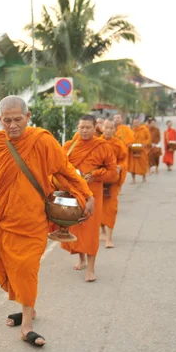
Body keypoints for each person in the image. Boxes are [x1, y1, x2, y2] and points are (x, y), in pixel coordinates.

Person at [0, 96, 94, 347]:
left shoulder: (42, 141)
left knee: (28, 270)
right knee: (11, 269)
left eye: (18, 119)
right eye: (7, 121)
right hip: (3, 220)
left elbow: (64, 171)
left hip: (32, 222)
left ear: (28, 117)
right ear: (0, 120)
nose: (12, 125)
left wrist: (86, 194)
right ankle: (29, 308)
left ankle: (27, 326)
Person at [60, 115, 118, 282]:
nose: (84, 130)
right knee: (77, 228)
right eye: (81, 127)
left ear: (95, 128)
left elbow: (113, 173)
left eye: (87, 127)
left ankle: (91, 269)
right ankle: (81, 259)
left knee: (91, 230)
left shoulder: (102, 146)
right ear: (77, 128)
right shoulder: (70, 146)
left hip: (94, 193)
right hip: (74, 192)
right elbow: (60, 167)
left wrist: (96, 176)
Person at [100, 121, 128, 249]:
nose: (108, 130)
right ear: (102, 128)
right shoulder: (96, 143)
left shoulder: (118, 144)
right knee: (98, 208)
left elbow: (123, 159)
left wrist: (120, 167)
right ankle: (103, 230)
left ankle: (109, 239)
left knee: (111, 208)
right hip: (99, 179)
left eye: (111, 128)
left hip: (112, 180)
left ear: (114, 130)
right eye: (106, 127)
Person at [128, 118, 151, 184]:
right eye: (134, 122)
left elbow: (148, 138)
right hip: (133, 150)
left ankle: (144, 178)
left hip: (142, 149)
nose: (136, 124)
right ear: (133, 123)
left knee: (143, 164)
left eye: (137, 122)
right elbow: (128, 138)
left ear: (139, 123)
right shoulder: (130, 130)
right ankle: (133, 179)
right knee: (132, 165)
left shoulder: (144, 129)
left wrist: (144, 143)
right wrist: (129, 144)